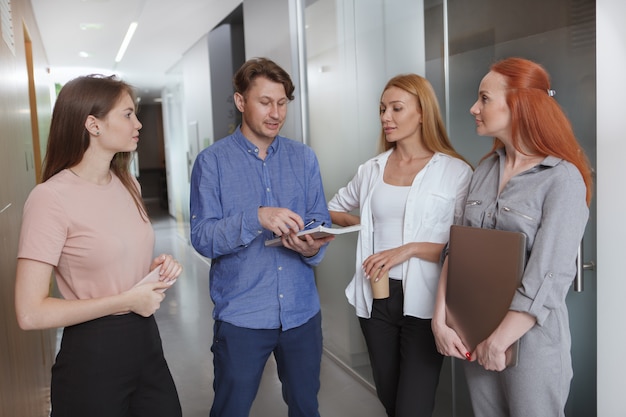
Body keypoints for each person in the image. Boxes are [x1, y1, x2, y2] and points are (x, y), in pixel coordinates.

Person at [432, 57, 593, 417]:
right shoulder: (485, 169)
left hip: (530, 341)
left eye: (484, 98)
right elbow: (456, 250)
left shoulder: (562, 179)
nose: (474, 108)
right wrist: (440, 319)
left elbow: (548, 276)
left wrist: (500, 340)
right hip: (474, 328)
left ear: (519, 104)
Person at [14, 75, 183, 416]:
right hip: (92, 355)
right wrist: (125, 300)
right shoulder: (50, 198)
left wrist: (154, 268)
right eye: (127, 115)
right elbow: (30, 313)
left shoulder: (128, 183)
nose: (138, 124)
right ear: (93, 124)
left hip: (146, 343)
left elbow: (115, 255)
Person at [189, 57, 334, 417]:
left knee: (306, 408)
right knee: (230, 410)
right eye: (265, 102)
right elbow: (203, 237)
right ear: (241, 102)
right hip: (242, 317)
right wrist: (256, 218)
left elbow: (320, 218)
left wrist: (310, 245)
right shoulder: (212, 162)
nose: (276, 113)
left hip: (302, 314)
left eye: (282, 103)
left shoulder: (304, 158)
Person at [328, 73, 473, 417]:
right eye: (382, 109)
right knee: (393, 403)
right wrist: (363, 227)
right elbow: (332, 208)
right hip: (377, 300)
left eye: (396, 108)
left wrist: (407, 249)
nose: (385, 118)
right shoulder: (371, 169)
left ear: (422, 112)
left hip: (427, 305)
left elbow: (466, 248)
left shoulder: (455, 172)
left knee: (413, 407)